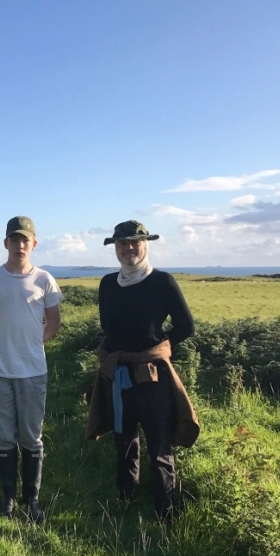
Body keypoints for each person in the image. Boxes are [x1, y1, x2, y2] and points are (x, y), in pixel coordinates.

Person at [86, 220, 199, 521]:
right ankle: (125, 500)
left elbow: (186, 326)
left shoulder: (163, 282)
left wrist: (157, 349)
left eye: (135, 242)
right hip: (119, 374)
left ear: (146, 245)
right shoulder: (108, 284)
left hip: (153, 376)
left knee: (159, 443)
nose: (129, 248)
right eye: (123, 243)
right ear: (115, 248)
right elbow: (106, 327)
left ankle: (167, 512)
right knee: (123, 438)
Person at [0, 216, 63, 523]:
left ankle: (32, 500)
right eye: (14, 240)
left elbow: (53, 322)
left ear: (34, 244)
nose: (20, 245)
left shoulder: (44, 280)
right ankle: (7, 499)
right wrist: (0, 342)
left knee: (31, 435)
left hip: (33, 371)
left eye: (25, 240)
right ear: (6, 244)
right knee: (2, 436)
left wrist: (32, 342)